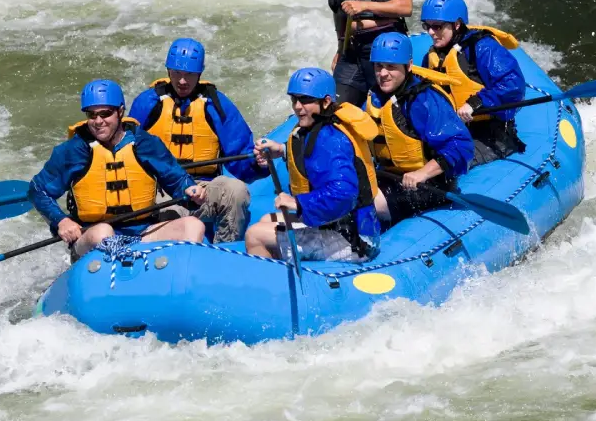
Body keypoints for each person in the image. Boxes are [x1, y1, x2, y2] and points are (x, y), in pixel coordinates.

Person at [28, 79, 207, 259]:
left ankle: (182, 273)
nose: (98, 121)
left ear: (120, 112)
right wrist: (61, 221)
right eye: (91, 115)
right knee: (104, 232)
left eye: (105, 114)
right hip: (93, 235)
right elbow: (38, 190)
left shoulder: (145, 143)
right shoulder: (73, 151)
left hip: (143, 232)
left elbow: (176, 179)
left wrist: (189, 189)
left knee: (193, 225)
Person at [127, 38, 268, 243]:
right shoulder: (147, 103)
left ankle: (225, 249)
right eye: (177, 73)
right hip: (162, 189)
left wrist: (258, 163)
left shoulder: (216, 104)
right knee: (168, 214)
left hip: (204, 188)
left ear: (200, 73)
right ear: (168, 71)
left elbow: (239, 153)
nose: (182, 81)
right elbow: (127, 152)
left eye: (190, 75)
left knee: (236, 191)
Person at [245, 68, 381, 263]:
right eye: (294, 100)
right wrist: (282, 150)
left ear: (325, 101)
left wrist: (298, 203)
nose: (297, 107)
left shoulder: (332, 139)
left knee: (255, 235)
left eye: (305, 100)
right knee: (267, 220)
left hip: (353, 239)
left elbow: (344, 193)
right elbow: (314, 157)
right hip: (334, 224)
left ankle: (271, 281)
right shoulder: (320, 126)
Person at [367, 32, 474, 224]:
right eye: (378, 66)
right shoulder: (375, 97)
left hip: (430, 185)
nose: (383, 73)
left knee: (369, 204)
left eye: (391, 67)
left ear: (408, 66)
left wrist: (422, 174)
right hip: (389, 176)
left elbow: (460, 146)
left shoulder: (424, 101)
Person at [420, 0, 527, 165]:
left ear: (457, 24)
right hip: (452, 131)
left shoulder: (483, 47)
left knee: (443, 166)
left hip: (489, 135)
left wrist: (475, 103)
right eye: (427, 26)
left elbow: (513, 85)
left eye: (437, 26)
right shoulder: (432, 57)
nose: (431, 32)